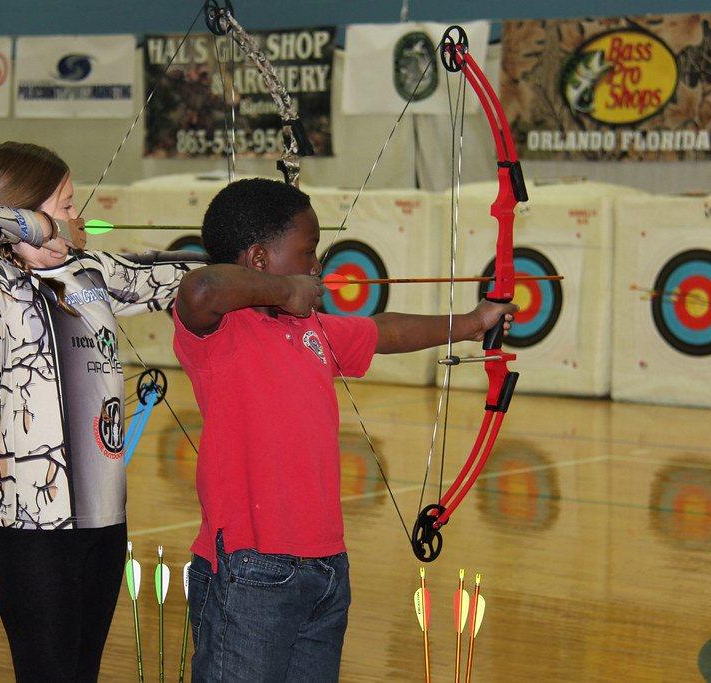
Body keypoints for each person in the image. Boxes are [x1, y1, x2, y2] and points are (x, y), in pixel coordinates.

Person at [172, 177, 518, 682]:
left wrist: (470, 322)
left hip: (326, 566)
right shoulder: (220, 334)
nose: (318, 267)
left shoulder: (310, 330)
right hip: (250, 569)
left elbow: (384, 331)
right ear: (259, 260)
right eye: (309, 252)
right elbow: (201, 288)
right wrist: (288, 290)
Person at [0, 141, 206, 682]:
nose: (78, 218)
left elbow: (178, 277)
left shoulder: (90, 270)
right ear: (23, 208)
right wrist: (46, 229)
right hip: (32, 525)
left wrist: (255, 271)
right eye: (66, 204)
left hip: (104, 517)